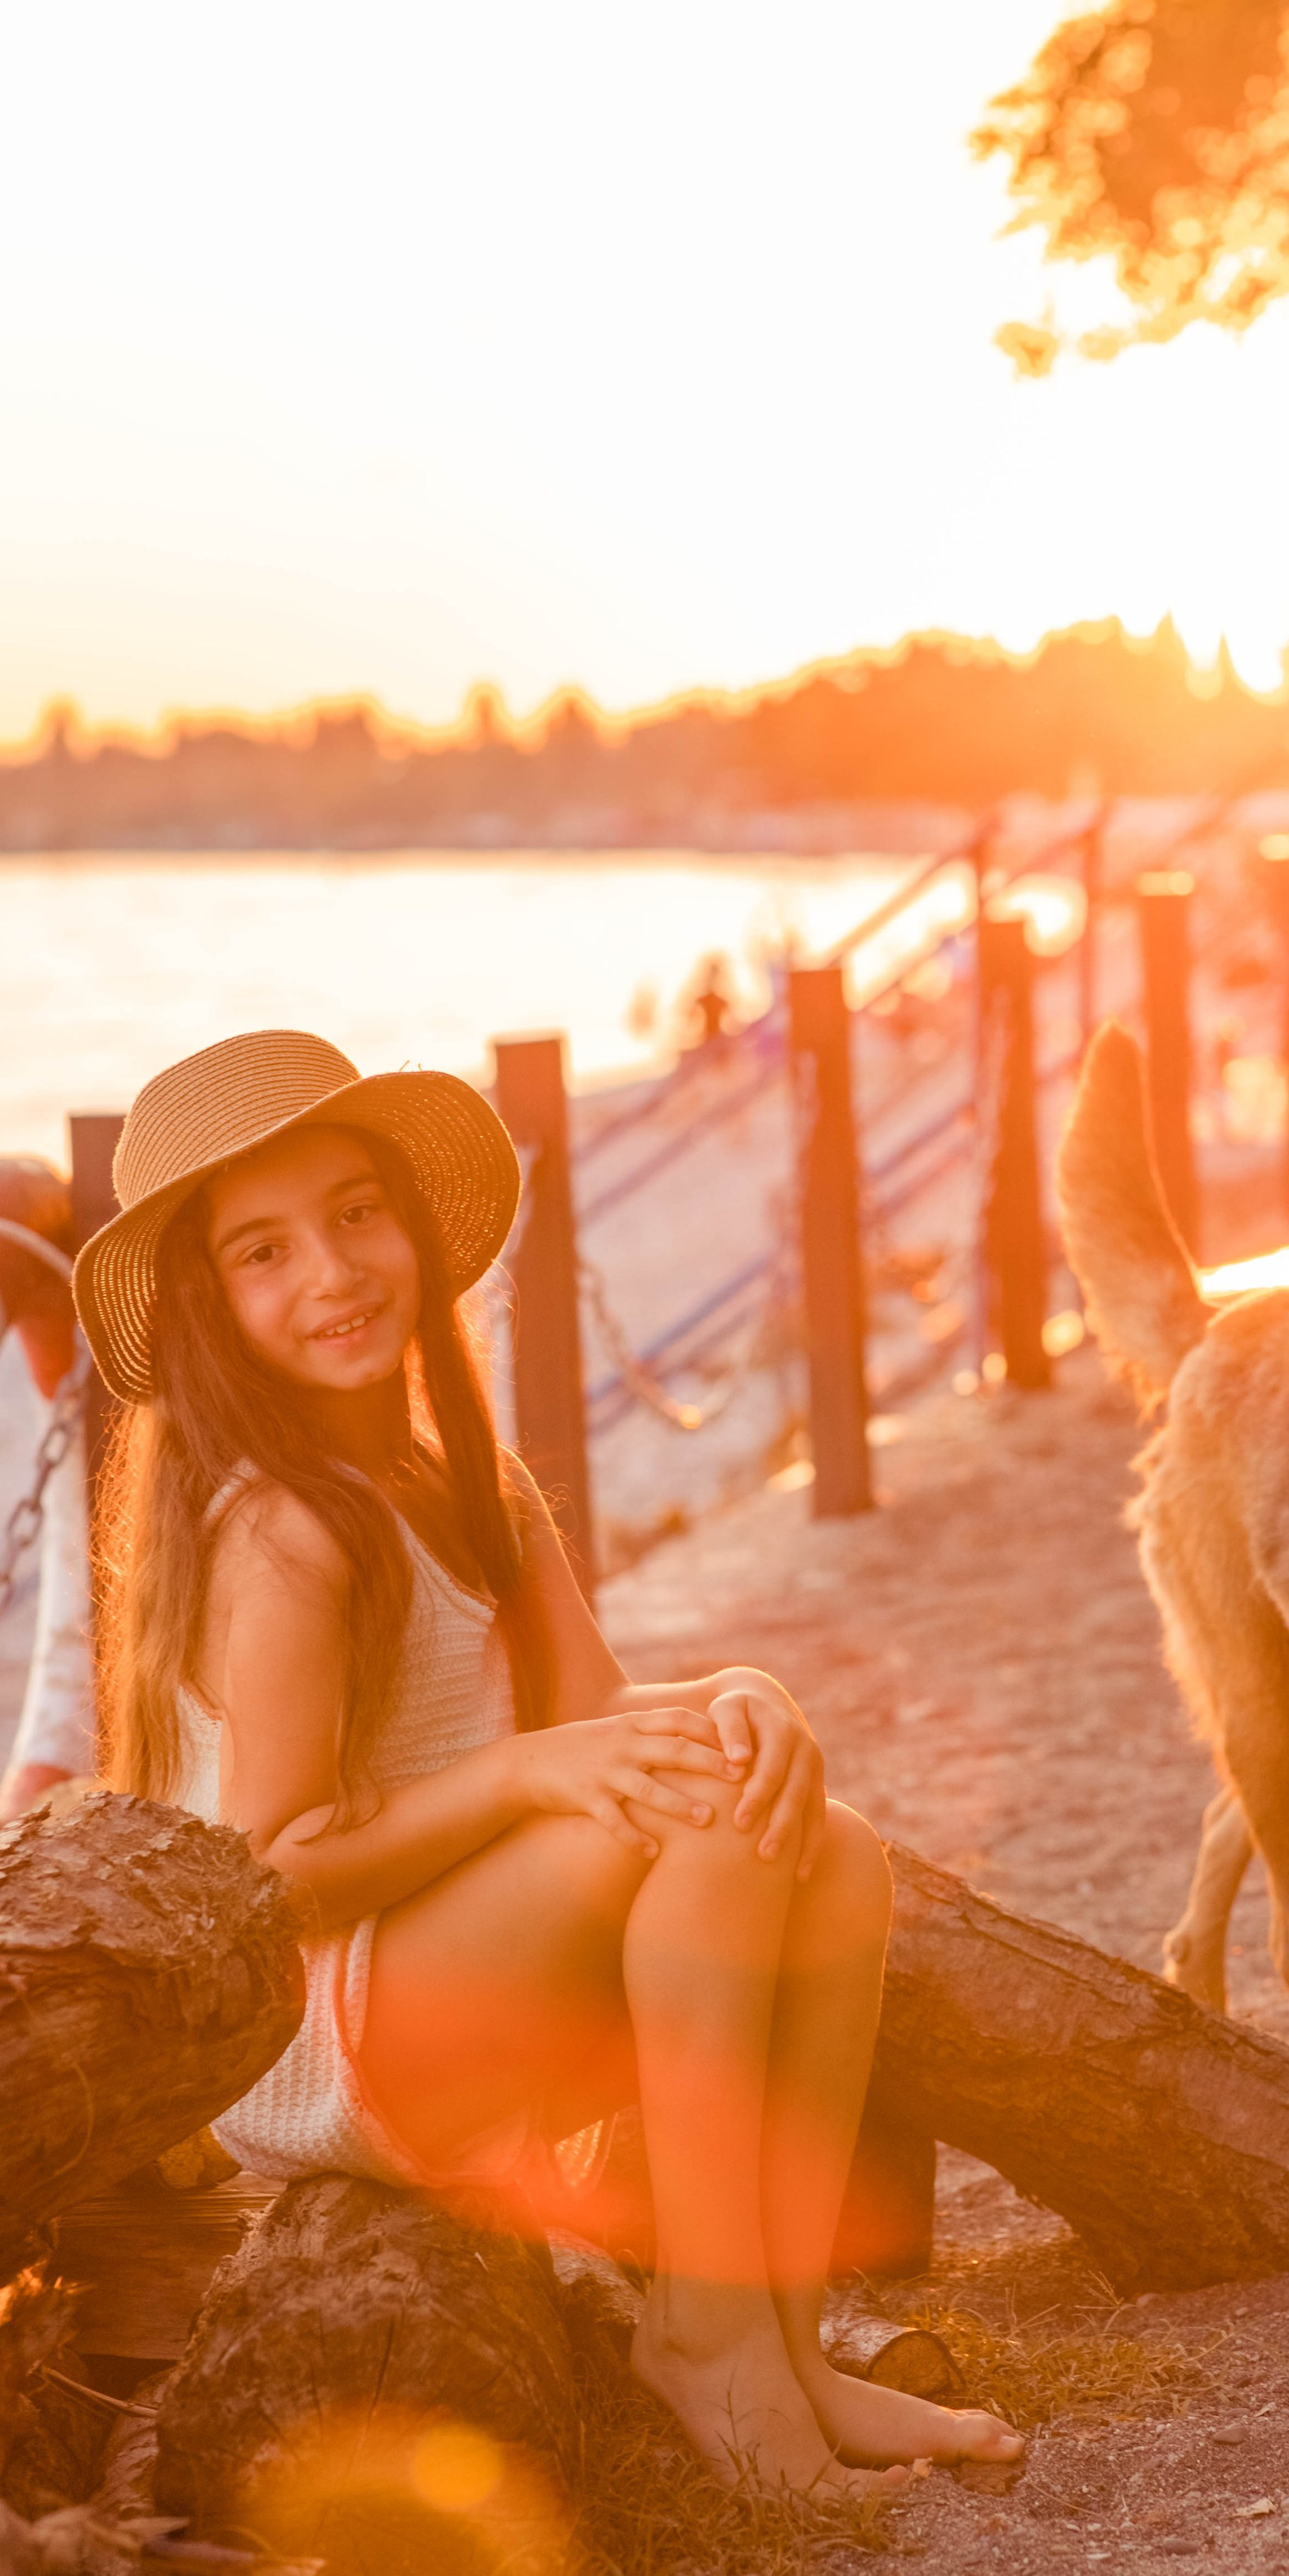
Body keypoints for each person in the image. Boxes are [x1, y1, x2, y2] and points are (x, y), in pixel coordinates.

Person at [74, 1029, 1020, 2496]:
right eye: (263, 1251)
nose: (329, 1272)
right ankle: (705, 2340)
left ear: (410, 1226)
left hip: (456, 1965)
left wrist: (743, 1689)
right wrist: (524, 1780)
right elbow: (275, 1873)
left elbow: (600, 1708)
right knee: (707, 1827)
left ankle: (777, 2326)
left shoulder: (470, 1481)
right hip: (322, 2035)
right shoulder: (284, 1532)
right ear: (207, 1302)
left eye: (354, 1215)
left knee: (825, 1850)